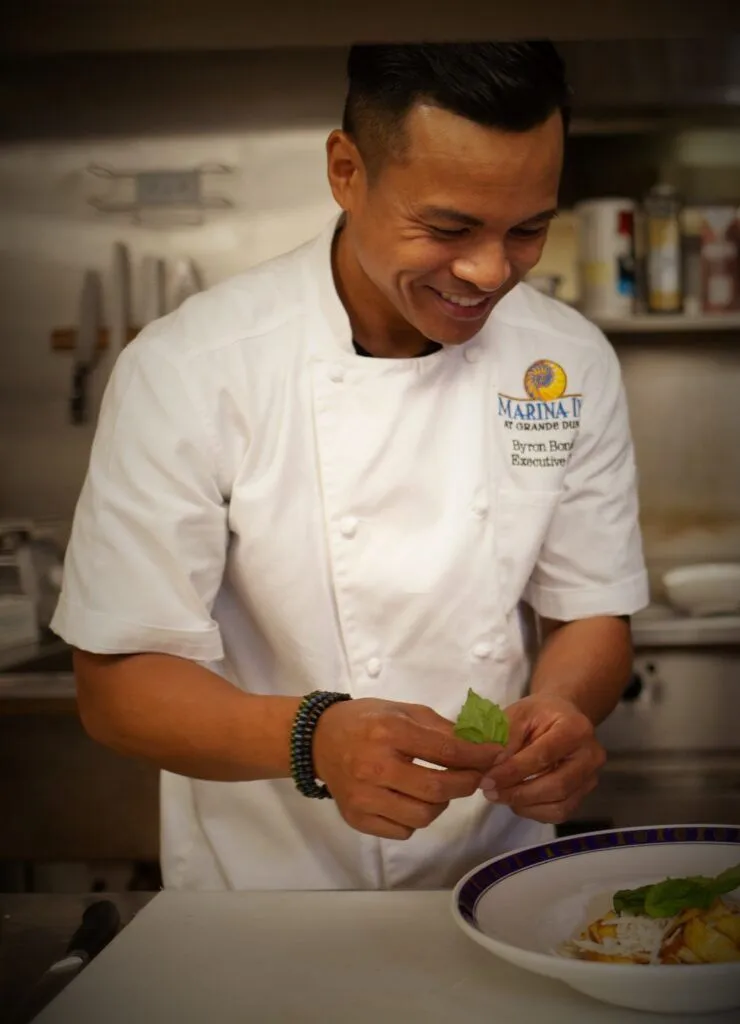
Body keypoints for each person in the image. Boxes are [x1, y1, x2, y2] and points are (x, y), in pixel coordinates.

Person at [51, 41, 648, 891]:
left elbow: (591, 611)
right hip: (266, 895)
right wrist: (316, 738)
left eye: (527, 229)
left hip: (496, 882)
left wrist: (561, 710)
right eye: (446, 227)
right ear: (345, 170)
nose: (488, 271)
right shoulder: (193, 364)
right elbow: (115, 688)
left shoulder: (568, 361)